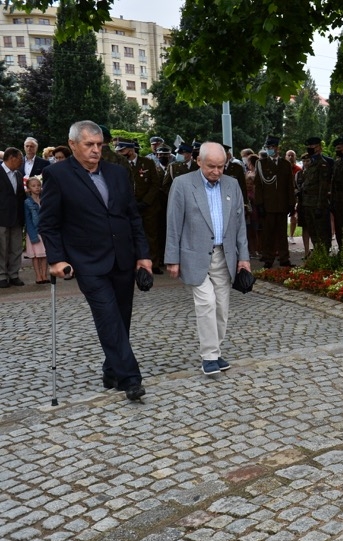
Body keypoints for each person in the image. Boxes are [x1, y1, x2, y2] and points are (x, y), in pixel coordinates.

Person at [39, 120, 152, 401]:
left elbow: (132, 217)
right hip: (87, 262)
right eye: (89, 145)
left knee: (121, 319)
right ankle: (130, 378)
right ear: (73, 144)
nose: (96, 150)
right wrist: (56, 259)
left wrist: (144, 256)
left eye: (99, 145)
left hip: (123, 259)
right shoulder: (58, 175)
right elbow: (49, 223)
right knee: (108, 317)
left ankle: (111, 370)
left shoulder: (116, 173)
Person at [165, 142, 251, 375]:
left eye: (221, 167)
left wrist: (244, 257)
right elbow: (173, 224)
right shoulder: (182, 184)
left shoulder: (232, 185)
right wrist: (172, 258)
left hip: (225, 255)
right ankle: (209, 356)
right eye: (211, 166)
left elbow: (240, 225)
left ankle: (216, 350)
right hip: (194, 255)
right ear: (199, 161)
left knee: (222, 307)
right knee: (206, 303)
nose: (216, 172)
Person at [117, 140, 163, 273]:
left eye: (122, 151)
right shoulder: (121, 164)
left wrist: (145, 202)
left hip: (148, 206)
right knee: (131, 235)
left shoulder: (147, 162)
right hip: (130, 206)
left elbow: (155, 184)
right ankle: (133, 262)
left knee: (151, 235)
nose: (120, 153)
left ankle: (154, 263)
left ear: (131, 150)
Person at [255, 135, 295, 268]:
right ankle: (268, 258)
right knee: (268, 234)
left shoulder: (285, 164)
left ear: (277, 148)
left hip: (282, 204)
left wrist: (291, 203)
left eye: (272, 147)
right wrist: (259, 204)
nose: (270, 150)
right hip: (268, 205)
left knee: (282, 234)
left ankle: (284, 258)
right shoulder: (261, 164)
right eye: (268, 147)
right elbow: (258, 185)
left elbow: (290, 185)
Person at [297, 136, 334, 257]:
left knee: (322, 232)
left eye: (312, 147)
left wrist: (319, 205)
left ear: (319, 148)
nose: (310, 149)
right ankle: (318, 254)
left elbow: (323, 187)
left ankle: (323, 255)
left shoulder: (322, 164)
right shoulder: (310, 164)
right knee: (313, 232)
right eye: (308, 147)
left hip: (317, 204)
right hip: (307, 203)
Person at [0, 148, 26, 288]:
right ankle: (2, 275)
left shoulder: (18, 174)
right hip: (2, 217)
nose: (21, 162)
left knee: (16, 248)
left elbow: (20, 197)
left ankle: (14, 274)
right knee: (2, 248)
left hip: (16, 217)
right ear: (12, 158)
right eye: (20, 159)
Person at [23, 175, 49, 284]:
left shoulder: (44, 200)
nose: (37, 188)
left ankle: (44, 275)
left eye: (38, 185)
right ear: (29, 188)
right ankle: (38, 275)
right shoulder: (27, 202)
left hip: (44, 231)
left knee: (44, 255)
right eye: (33, 186)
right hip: (34, 231)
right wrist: (32, 235)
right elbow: (28, 220)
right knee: (36, 256)